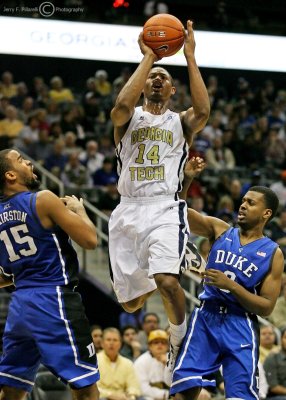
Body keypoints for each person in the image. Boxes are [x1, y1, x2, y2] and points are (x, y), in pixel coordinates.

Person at [108, 19, 210, 385]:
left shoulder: (180, 122)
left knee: (168, 281)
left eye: (165, 78)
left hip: (165, 207)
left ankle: (178, 345)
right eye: (154, 76)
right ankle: (167, 262)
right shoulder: (128, 118)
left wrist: (191, 57)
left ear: (171, 91)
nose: (157, 80)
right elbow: (120, 104)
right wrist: (149, 58)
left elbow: (203, 113)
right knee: (130, 303)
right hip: (127, 210)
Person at [170, 160, 285, 399]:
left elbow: (266, 307)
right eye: (243, 200)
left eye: (250, 203)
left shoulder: (273, 253)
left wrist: (230, 286)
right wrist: (187, 180)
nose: (242, 205)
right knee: (183, 389)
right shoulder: (220, 230)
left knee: (241, 395)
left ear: (266, 213)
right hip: (206, 317)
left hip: (240, 323)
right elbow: (176, 213)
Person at [0, 149, 99, 400]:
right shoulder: (43, 199)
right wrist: (79, 209)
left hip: (21, 302)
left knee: (12, 389)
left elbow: (3, 276)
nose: (29, 161)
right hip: (53, 299)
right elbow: (90, 240)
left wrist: (26, 276)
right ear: (10, 175)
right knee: (86, 386)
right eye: (21, 160)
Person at [96, 327, 141, 400]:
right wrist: (110, 395)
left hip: (123, 397)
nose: (111, 343)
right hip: (103, 397)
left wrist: (130, 396)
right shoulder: (94, 361)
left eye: (115, 340)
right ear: (102, 343)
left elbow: (134, 386)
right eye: (108, 340)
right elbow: (93, 388)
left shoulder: (127, 363)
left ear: (120, 344)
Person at [134, 329, 169, 400]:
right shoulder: (141, 361)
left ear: (168, 346)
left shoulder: (173, 359)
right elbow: (143, 388)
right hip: (150, 397)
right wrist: (166, 394)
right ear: (149, 346)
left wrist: (167, 365)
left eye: (163, 342)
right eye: (156, 342)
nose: (160, 345)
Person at [263, 327, 286, 400]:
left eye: (270, 333)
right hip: (274, 396)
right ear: (281, 340)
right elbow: (273, 387)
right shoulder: (272, 358)